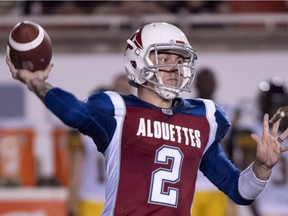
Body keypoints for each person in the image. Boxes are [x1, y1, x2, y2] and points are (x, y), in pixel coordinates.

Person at [6, 22, 288, 216]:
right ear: (138, 61)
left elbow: (240, 190)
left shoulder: (203, 118)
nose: (174, 68)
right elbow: (74, 113)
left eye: (179, 60)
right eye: (164, 58)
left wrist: (261, 168)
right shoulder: (117, 110)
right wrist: (38, 84)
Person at [233, 77, 288, 216]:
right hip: (267, 208)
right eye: (275, 107)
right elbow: (246, 178)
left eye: (282, 108)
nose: (280, 114)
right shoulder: (253, 134)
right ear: (265, 107)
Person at [192, 68, 236, 216]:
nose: (206, 85)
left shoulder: (227, 111)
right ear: (196, 84)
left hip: (217, 184)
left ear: (215, 84)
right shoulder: (186, 108)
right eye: (203, 82)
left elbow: (231, 148)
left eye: (209, 82)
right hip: (192, 183)